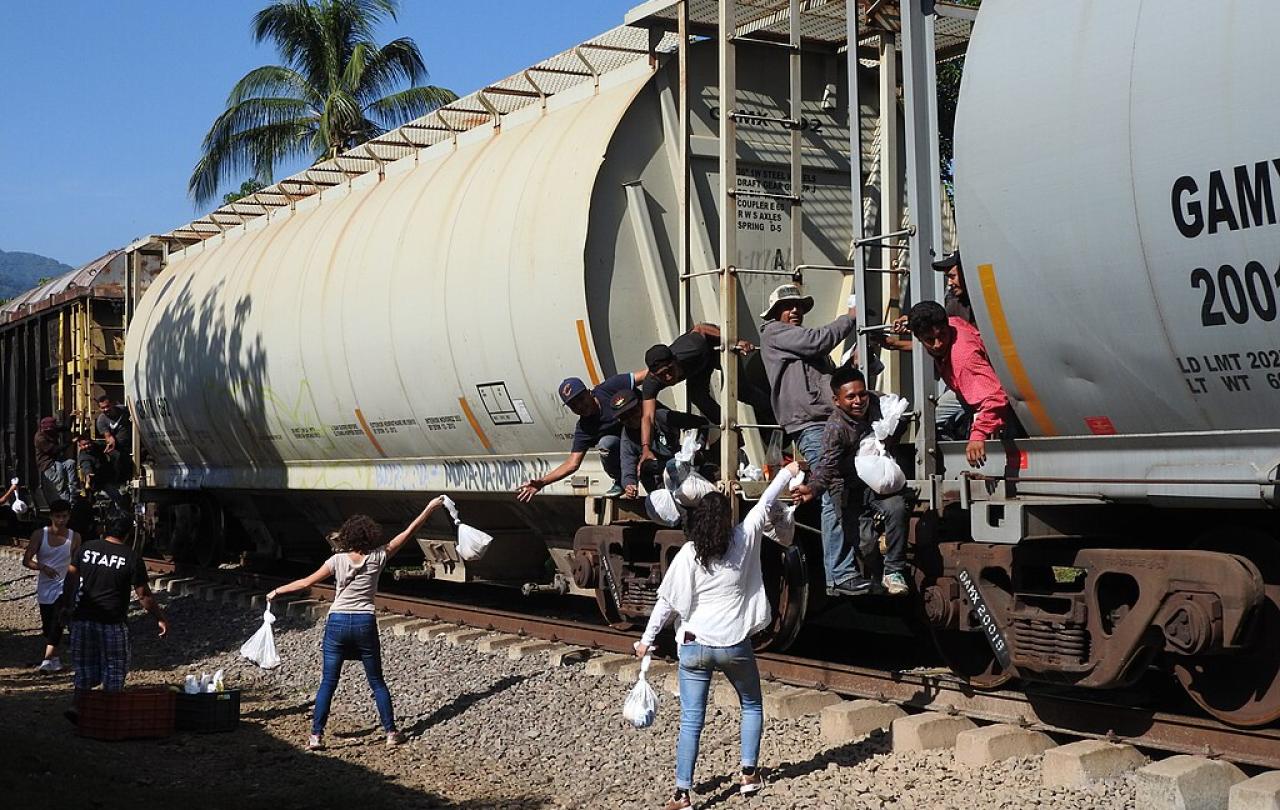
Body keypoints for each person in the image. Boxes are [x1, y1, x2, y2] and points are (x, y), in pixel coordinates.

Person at [635, 460, 800, 809]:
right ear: (727, 520)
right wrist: (789, 471)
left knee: (692, 720)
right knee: (752, 704)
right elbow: (767, 501)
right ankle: (748, 776)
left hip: (694, 646)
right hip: (734, 646)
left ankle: (682, 793)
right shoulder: (744, 537)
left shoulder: (689, 554)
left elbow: (666, 604)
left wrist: (646, 641)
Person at [267, 497, 446, 750]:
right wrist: (428, 508)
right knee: (376, 681)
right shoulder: (378, 557)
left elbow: (306, 583)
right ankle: (391, 732)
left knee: (329, 682)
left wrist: (276, 591)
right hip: (364, 622)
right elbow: (408, 532)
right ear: (370, 536)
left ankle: (316, 736)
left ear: (347, 536)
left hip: (337, 622)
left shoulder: (336, 561)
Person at [758, 283, 857, 594]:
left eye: (800, 306)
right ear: (774, 313)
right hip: (810, 424)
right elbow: (817, 340)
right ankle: (840, 574)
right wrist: (850, 318)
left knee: (849, 487)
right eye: (789, 306)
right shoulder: (774, 332)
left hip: (830, 422)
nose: (796, 311)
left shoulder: (804, 351)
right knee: (831, 488)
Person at [794, 367, 910, 595]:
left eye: (862, 394)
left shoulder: (877, 403)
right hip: (850, 492)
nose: (859, 401)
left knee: (896, 508)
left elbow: (898, 414)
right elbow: (827, 465)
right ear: (837, 401)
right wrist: (813, 489)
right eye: (851, 397)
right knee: (866, 544)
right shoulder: (835, 428)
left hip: (878, 485)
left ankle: (894, 571)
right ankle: (877, 571)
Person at [63, 516, 169, 707]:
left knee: (84, 667)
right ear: (128, 534)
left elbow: (70, 579)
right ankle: (109, 712)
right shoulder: (131, 557)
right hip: (112, 623)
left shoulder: (86, 548)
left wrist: (67, 608)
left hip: (82, 619)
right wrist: (160, 618)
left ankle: (77, 707)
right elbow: (143, 595)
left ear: (105, 529)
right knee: (114, 668)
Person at [904, 300, 1011, 467]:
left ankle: (957, 456)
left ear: (946, 327)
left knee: (934, 422)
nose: (937, 344)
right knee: (931, 420)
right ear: (918, 338)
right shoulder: (951, 322)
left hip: (983, 389)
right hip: (964, 388)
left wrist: (978, 436)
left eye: (941, 336)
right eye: (929, 340)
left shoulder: (964, 359)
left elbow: (995, 397)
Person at [515, 370, 646, 501]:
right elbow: (572, 463)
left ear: (589, 392)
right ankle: (620, 479)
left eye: (581, 399)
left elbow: (649, 374)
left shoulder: (609, 388)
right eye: (573, 405)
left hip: (649, 431)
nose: (580, 406)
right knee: (606, 443)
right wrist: (542, 482)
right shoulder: (584, 428)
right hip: (629, 449)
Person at [638, 324, 754, 472]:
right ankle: (732, 432)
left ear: (675, 360)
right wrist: (646, 448)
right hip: (698, 369)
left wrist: (733, 342)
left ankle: (772, 412)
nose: (668, 377)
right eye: (661, 375)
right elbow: (647, 416)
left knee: (742, 392)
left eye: (669, 370)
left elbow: (700, 328)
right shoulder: (652, 382)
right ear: (653, 375)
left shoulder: (691, 348)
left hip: (712, 349)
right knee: (698, 397)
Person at [611, 388, 708, 497]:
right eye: (624, 417)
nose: (631, 418)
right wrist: (630, 484)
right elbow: (627, 463)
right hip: (659, 473)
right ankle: (661, 498)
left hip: (682, 464)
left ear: (641, 406)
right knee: (645, 467)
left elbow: (701, 423)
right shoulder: (627, 437)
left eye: (633, 412)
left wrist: (699, 448)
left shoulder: (661, 416)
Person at [22, 499, 80, 673]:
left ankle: (47, 660)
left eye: (64, 516)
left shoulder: (74, 537)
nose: (61, 520)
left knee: (58, 620)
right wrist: (42, 567)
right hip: (45, 587)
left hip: (65, 586)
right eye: (57, 516)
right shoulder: (40, 535)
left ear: (69, 516)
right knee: (48, 625)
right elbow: (27, 560)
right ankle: (55, 659)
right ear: (51, 516)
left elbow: (76, 563)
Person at [34, 416, 76, 502]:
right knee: (60, 484)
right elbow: (54, 450)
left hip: (56, 461)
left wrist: (71, 416)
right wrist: (70, 442)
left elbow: (65, 428)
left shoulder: (52, 429)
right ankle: (67, 505)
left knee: (71, 463)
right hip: (47, 464)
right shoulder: (40, 438)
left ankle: (73, 493)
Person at [95, 395, 133, 480]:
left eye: (107, 406)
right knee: (117, 458)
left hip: (133, 441)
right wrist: (111, 443)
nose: (106, 409)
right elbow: (108, 436)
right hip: (119, 445)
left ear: (112, 404)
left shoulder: (123, 409)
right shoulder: (101, 420)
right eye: (102, 408)